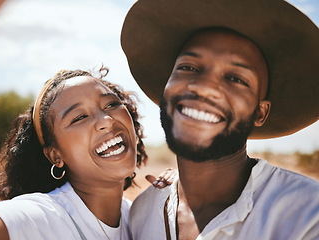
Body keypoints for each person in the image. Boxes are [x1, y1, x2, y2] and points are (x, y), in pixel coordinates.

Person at [121, 0, 319, 239]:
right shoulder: (143, 211)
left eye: (236, 79)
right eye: (188, 67)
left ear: (259, 112)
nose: (204, 88)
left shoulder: (307, 215)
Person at [0, 67, 174, 240]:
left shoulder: (139, 217)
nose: (106, 120)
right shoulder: (39, 218)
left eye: (111, 104)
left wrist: (180, 202)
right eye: (79, 117)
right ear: (55, 155)